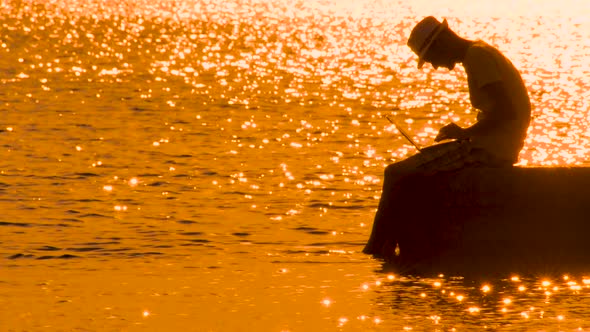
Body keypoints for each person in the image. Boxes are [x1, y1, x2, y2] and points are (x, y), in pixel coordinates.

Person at [363, 16, 531, 261]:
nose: (433, 65)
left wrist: (465, 134)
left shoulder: (477, 57)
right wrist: (465, 134)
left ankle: (374, 249)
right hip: (494, 144)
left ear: (441, 43)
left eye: (430, 58)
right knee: (414, 175)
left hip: (491, 148)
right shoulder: (481, 51)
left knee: (395, 173)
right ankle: (393, 247)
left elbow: (506, 112)